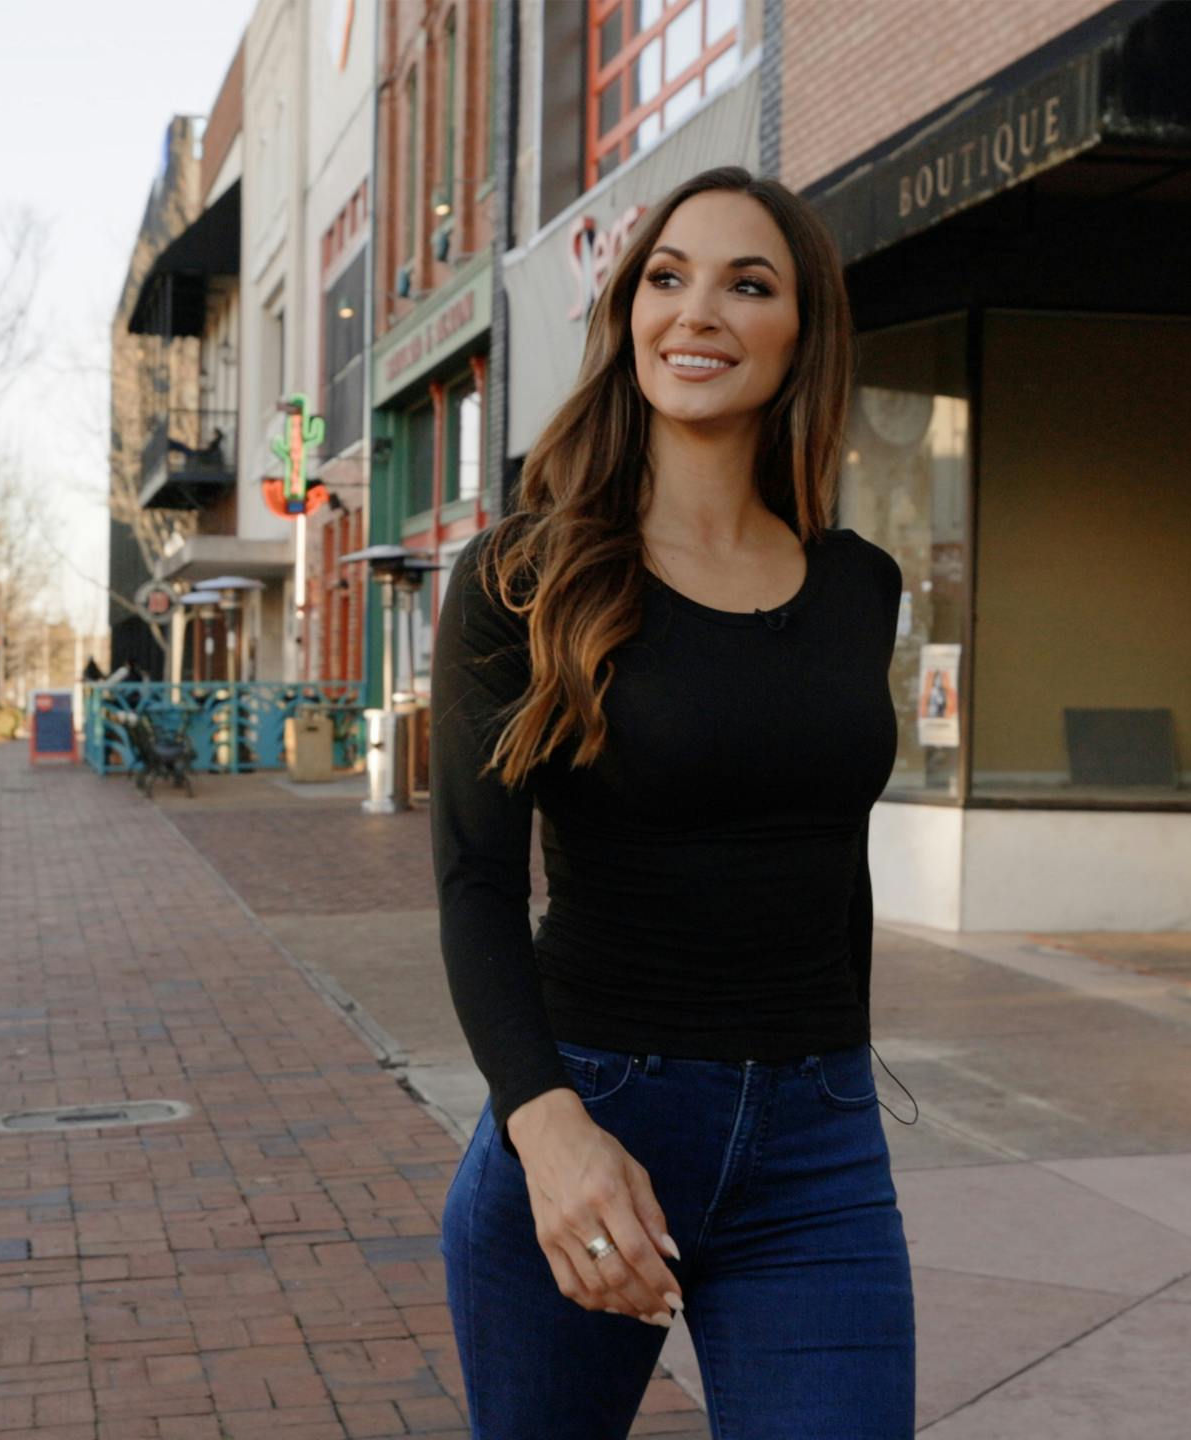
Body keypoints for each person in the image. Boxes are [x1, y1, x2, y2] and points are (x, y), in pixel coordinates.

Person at [431, 166, 913, 1438]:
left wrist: (839, 1068)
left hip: (819, 1149)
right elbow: (477, 882)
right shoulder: (525, 577)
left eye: (747, 284)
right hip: (596, 1116)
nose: (695, 312)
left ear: (801, 334)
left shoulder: (861, 584)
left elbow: (833, 847)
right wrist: (545, 1128)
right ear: (630, 315)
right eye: (666, 277)